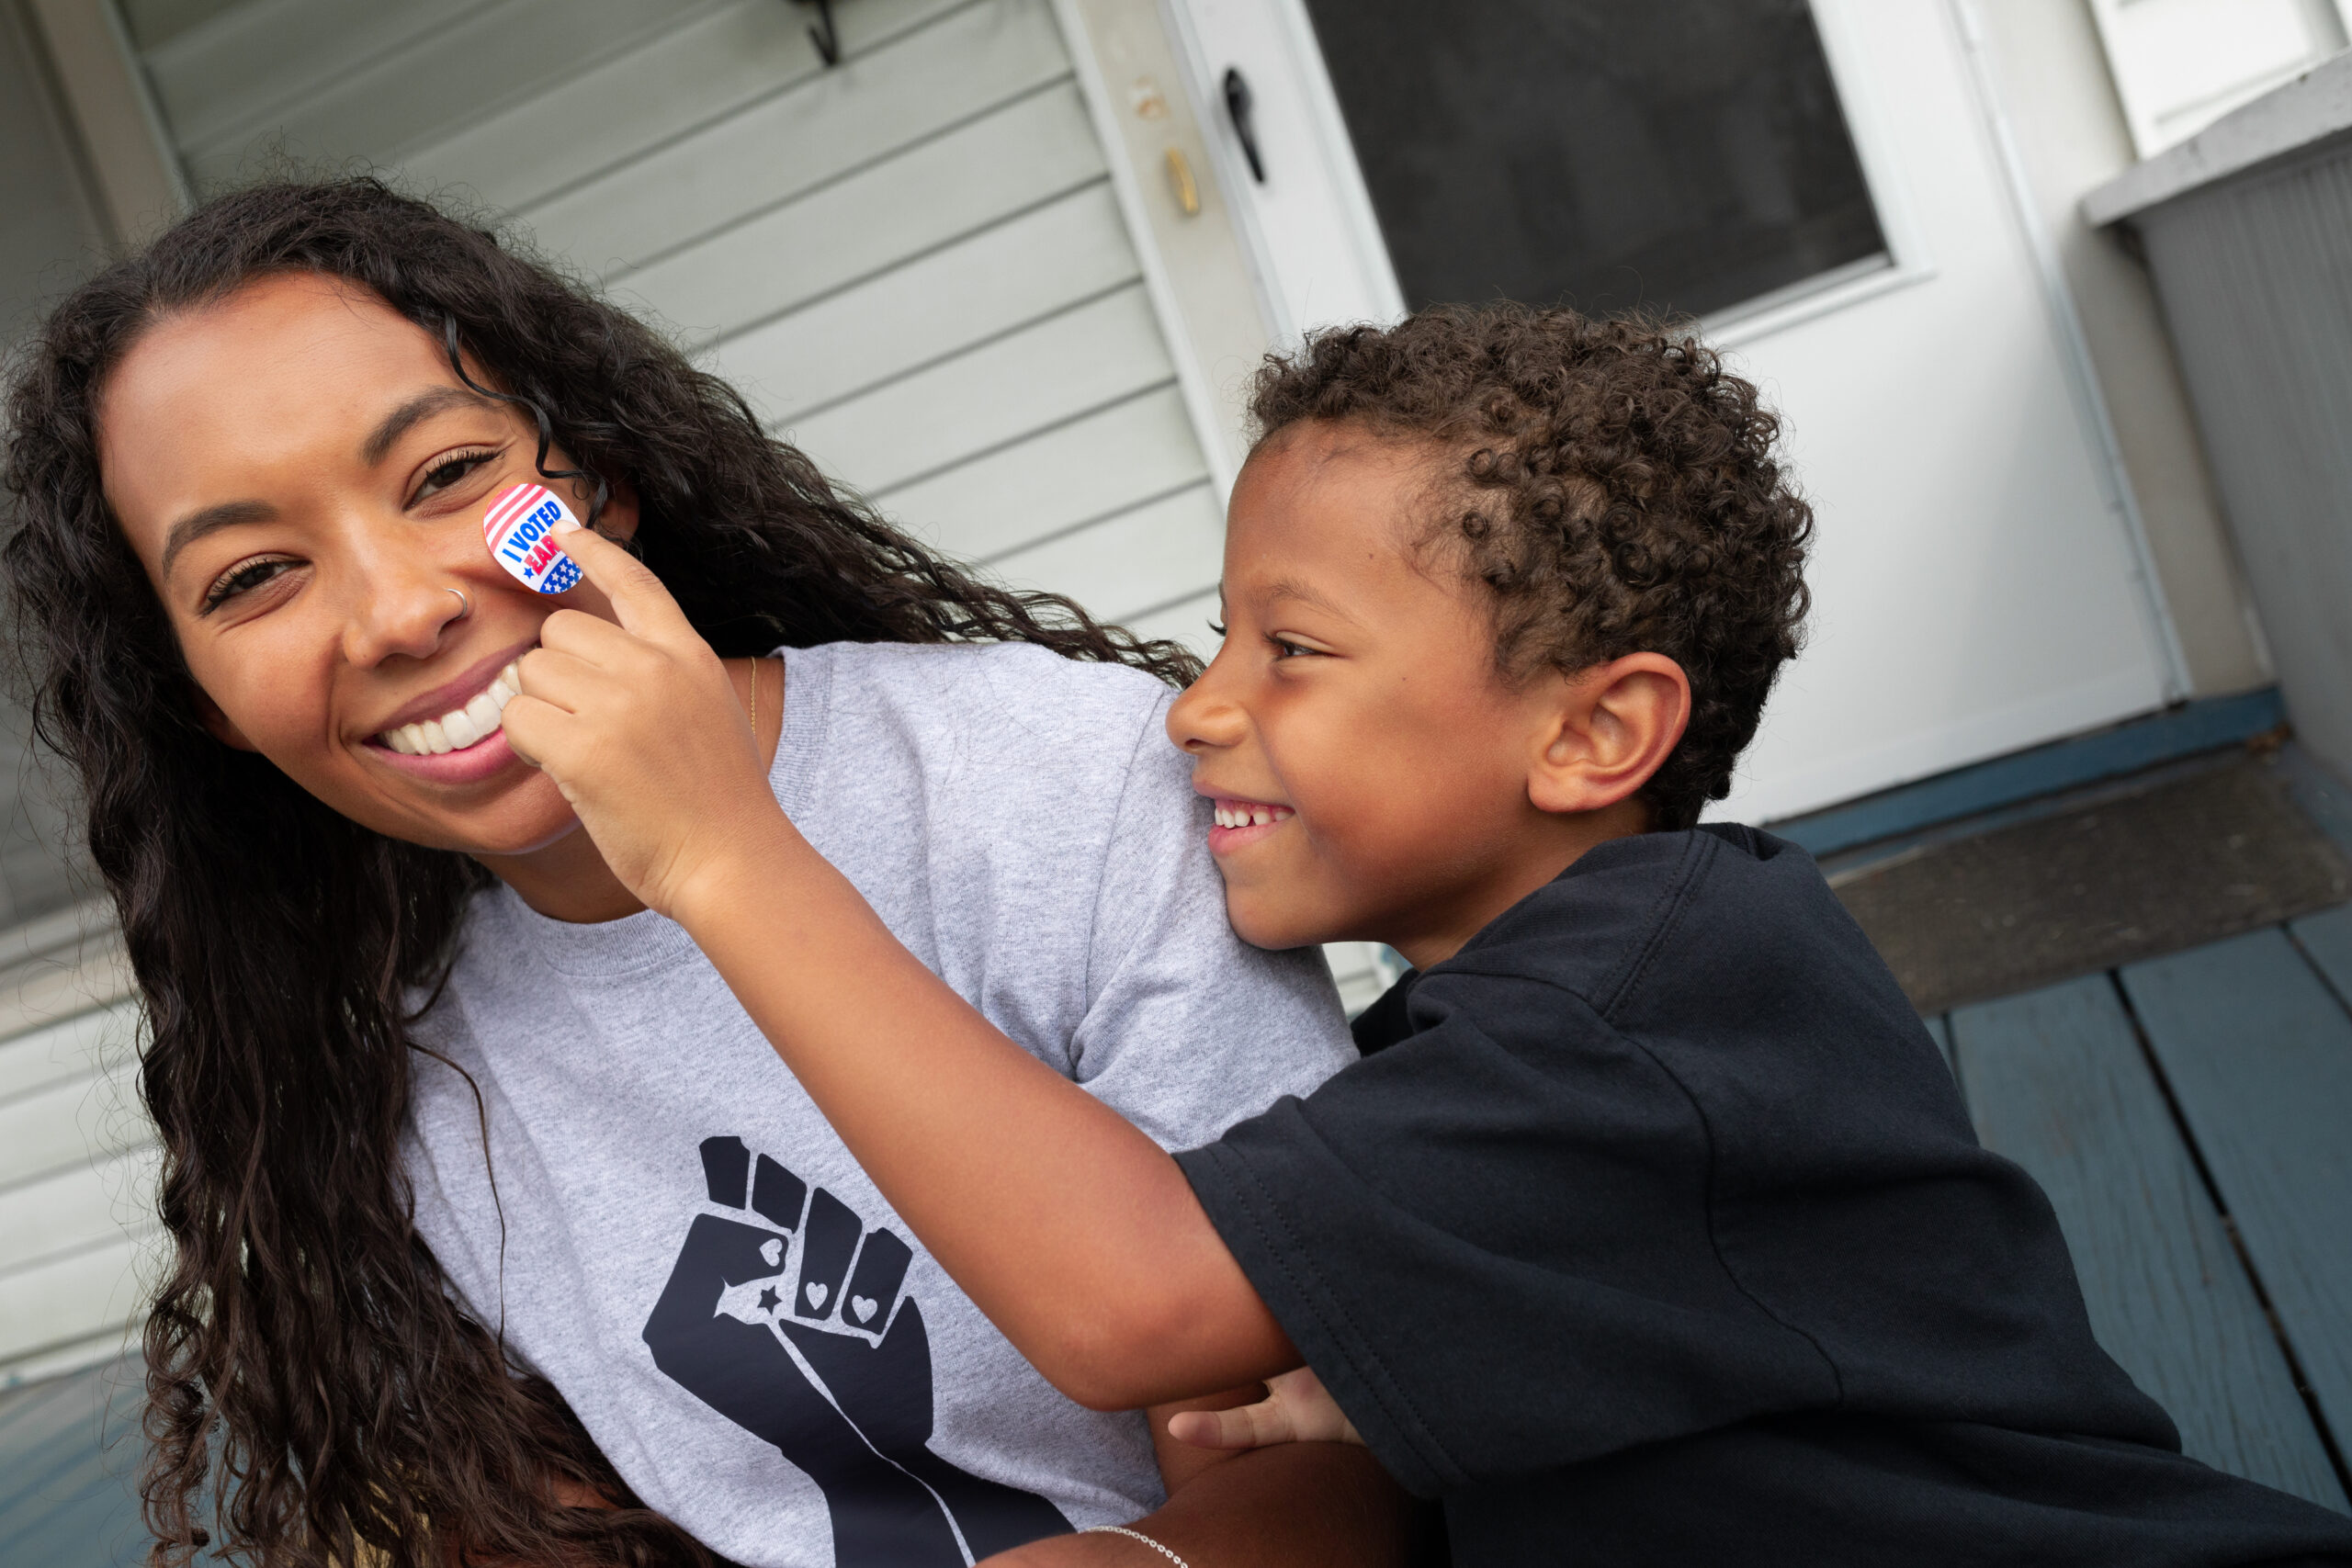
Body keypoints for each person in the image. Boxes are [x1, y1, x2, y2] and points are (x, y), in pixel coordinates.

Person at [504, 303, 2352, 1565]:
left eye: (1287, 649)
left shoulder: (1667, 987)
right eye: (1218, 640)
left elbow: (1127, 1301)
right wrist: (1353, 1393)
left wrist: (727, 858)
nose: (1193, 708)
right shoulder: (1511, 1038)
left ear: (1589, 731)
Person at [0, 178, 1424, 1568]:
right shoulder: (393, 1069)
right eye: (252, 577)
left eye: (446, 477)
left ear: (597, 478)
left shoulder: (1052, 790)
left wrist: (716, 854)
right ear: (197, 698)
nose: (400, 612)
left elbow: (1339, 1459)